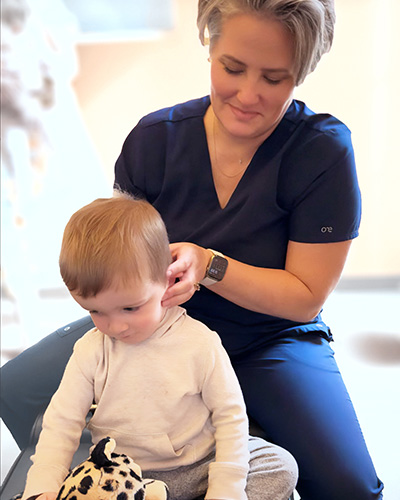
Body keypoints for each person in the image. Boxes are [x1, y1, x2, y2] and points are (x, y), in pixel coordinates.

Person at [113, 1, 384, 499]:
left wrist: (208, 263)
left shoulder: (321, 153)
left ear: (301, 73)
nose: (248, 94)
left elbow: (303, 296)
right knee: (27, 395)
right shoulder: (154, 142)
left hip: (269, 341)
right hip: (161, 334)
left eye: (275, 78)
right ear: (209, 46)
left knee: (351, 487)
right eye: (232, 68)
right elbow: (118, 261)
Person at [21, 194, 298, 500]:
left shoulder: (200, 343)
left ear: (168, 280)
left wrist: (225, 489)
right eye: (96, 312)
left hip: (199, 466)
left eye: (130, 308)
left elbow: (230, 417)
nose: (116, 326)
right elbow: (62, 423)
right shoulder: (90, 351)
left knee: (279, 464)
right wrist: (41, 488)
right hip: (126, 476)